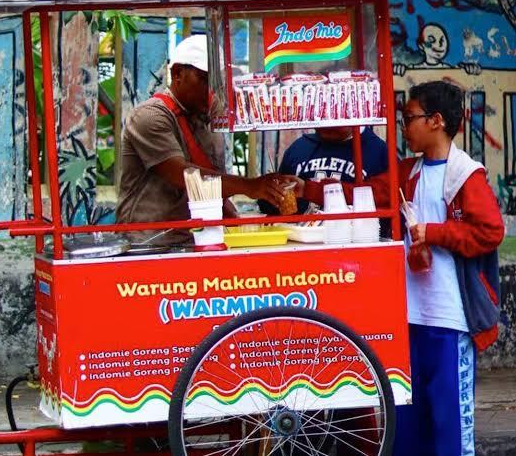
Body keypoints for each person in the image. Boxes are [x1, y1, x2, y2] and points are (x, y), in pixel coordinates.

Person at [295, 81, 504, 455]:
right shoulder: (409, 172)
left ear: (436, 121)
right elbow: (365, 193)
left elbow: (490, 231)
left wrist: (433, 233)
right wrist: (307, 190)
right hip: (408, 317)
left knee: (450, 432)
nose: (404, 127)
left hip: (450, 319)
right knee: (407, 427)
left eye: (409, 119)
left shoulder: (467, 175)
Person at [116, 35, 295, 243]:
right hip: (148, 243)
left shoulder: (207, 117)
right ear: (177, 74)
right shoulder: (150, 117)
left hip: (194, 239)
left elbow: (213, 182)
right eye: (203, 79)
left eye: (216, 82)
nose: (211, 90)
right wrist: (251, 187)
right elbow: (183, 176)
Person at [259, 126, 388, 215]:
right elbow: (279, 207)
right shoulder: (299, 147)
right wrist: (271, 195)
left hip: (352, 246)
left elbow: (383, 203)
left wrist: (309, 190)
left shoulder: (379, 151)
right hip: (300, 243)